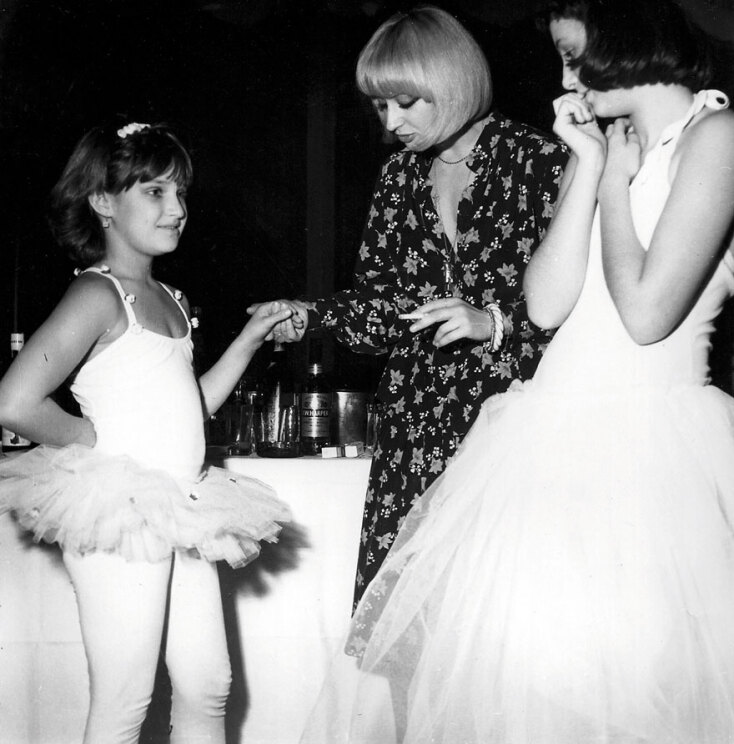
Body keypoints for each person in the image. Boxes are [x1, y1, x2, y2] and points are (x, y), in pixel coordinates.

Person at [301, 0, 734, 740]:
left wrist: (612, 186)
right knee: (527, 686)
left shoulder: (715, 134)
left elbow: (645, 313)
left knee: (637, 685)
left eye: (573, 56)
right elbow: (545, 302)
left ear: (626, 36)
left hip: (645, 439)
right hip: (547, 433)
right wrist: (593, 166)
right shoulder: (599, 147)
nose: (565, 79)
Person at [264, 5, 568, 606]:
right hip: (417, 419)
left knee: (500, 612)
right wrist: (314, 315)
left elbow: (582, 301)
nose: (391, 122)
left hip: (514, 415)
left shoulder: (541, 161)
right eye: (380, 106)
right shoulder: (398, 178)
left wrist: (494, 321)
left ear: (450, 84)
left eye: (405, 102)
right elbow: (386, 305)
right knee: (409, 619)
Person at [0, 121, 292, 744]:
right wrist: (93, 442)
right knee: (126, 696)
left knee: (207, 684)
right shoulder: (97, 293)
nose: (177, 209)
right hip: (122, 513)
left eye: (180, 192)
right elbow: (15, 400)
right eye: (155, 192)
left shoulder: (169, 298)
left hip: (181, 509)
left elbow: (188, 407)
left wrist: (249, 340)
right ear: (103, 202)